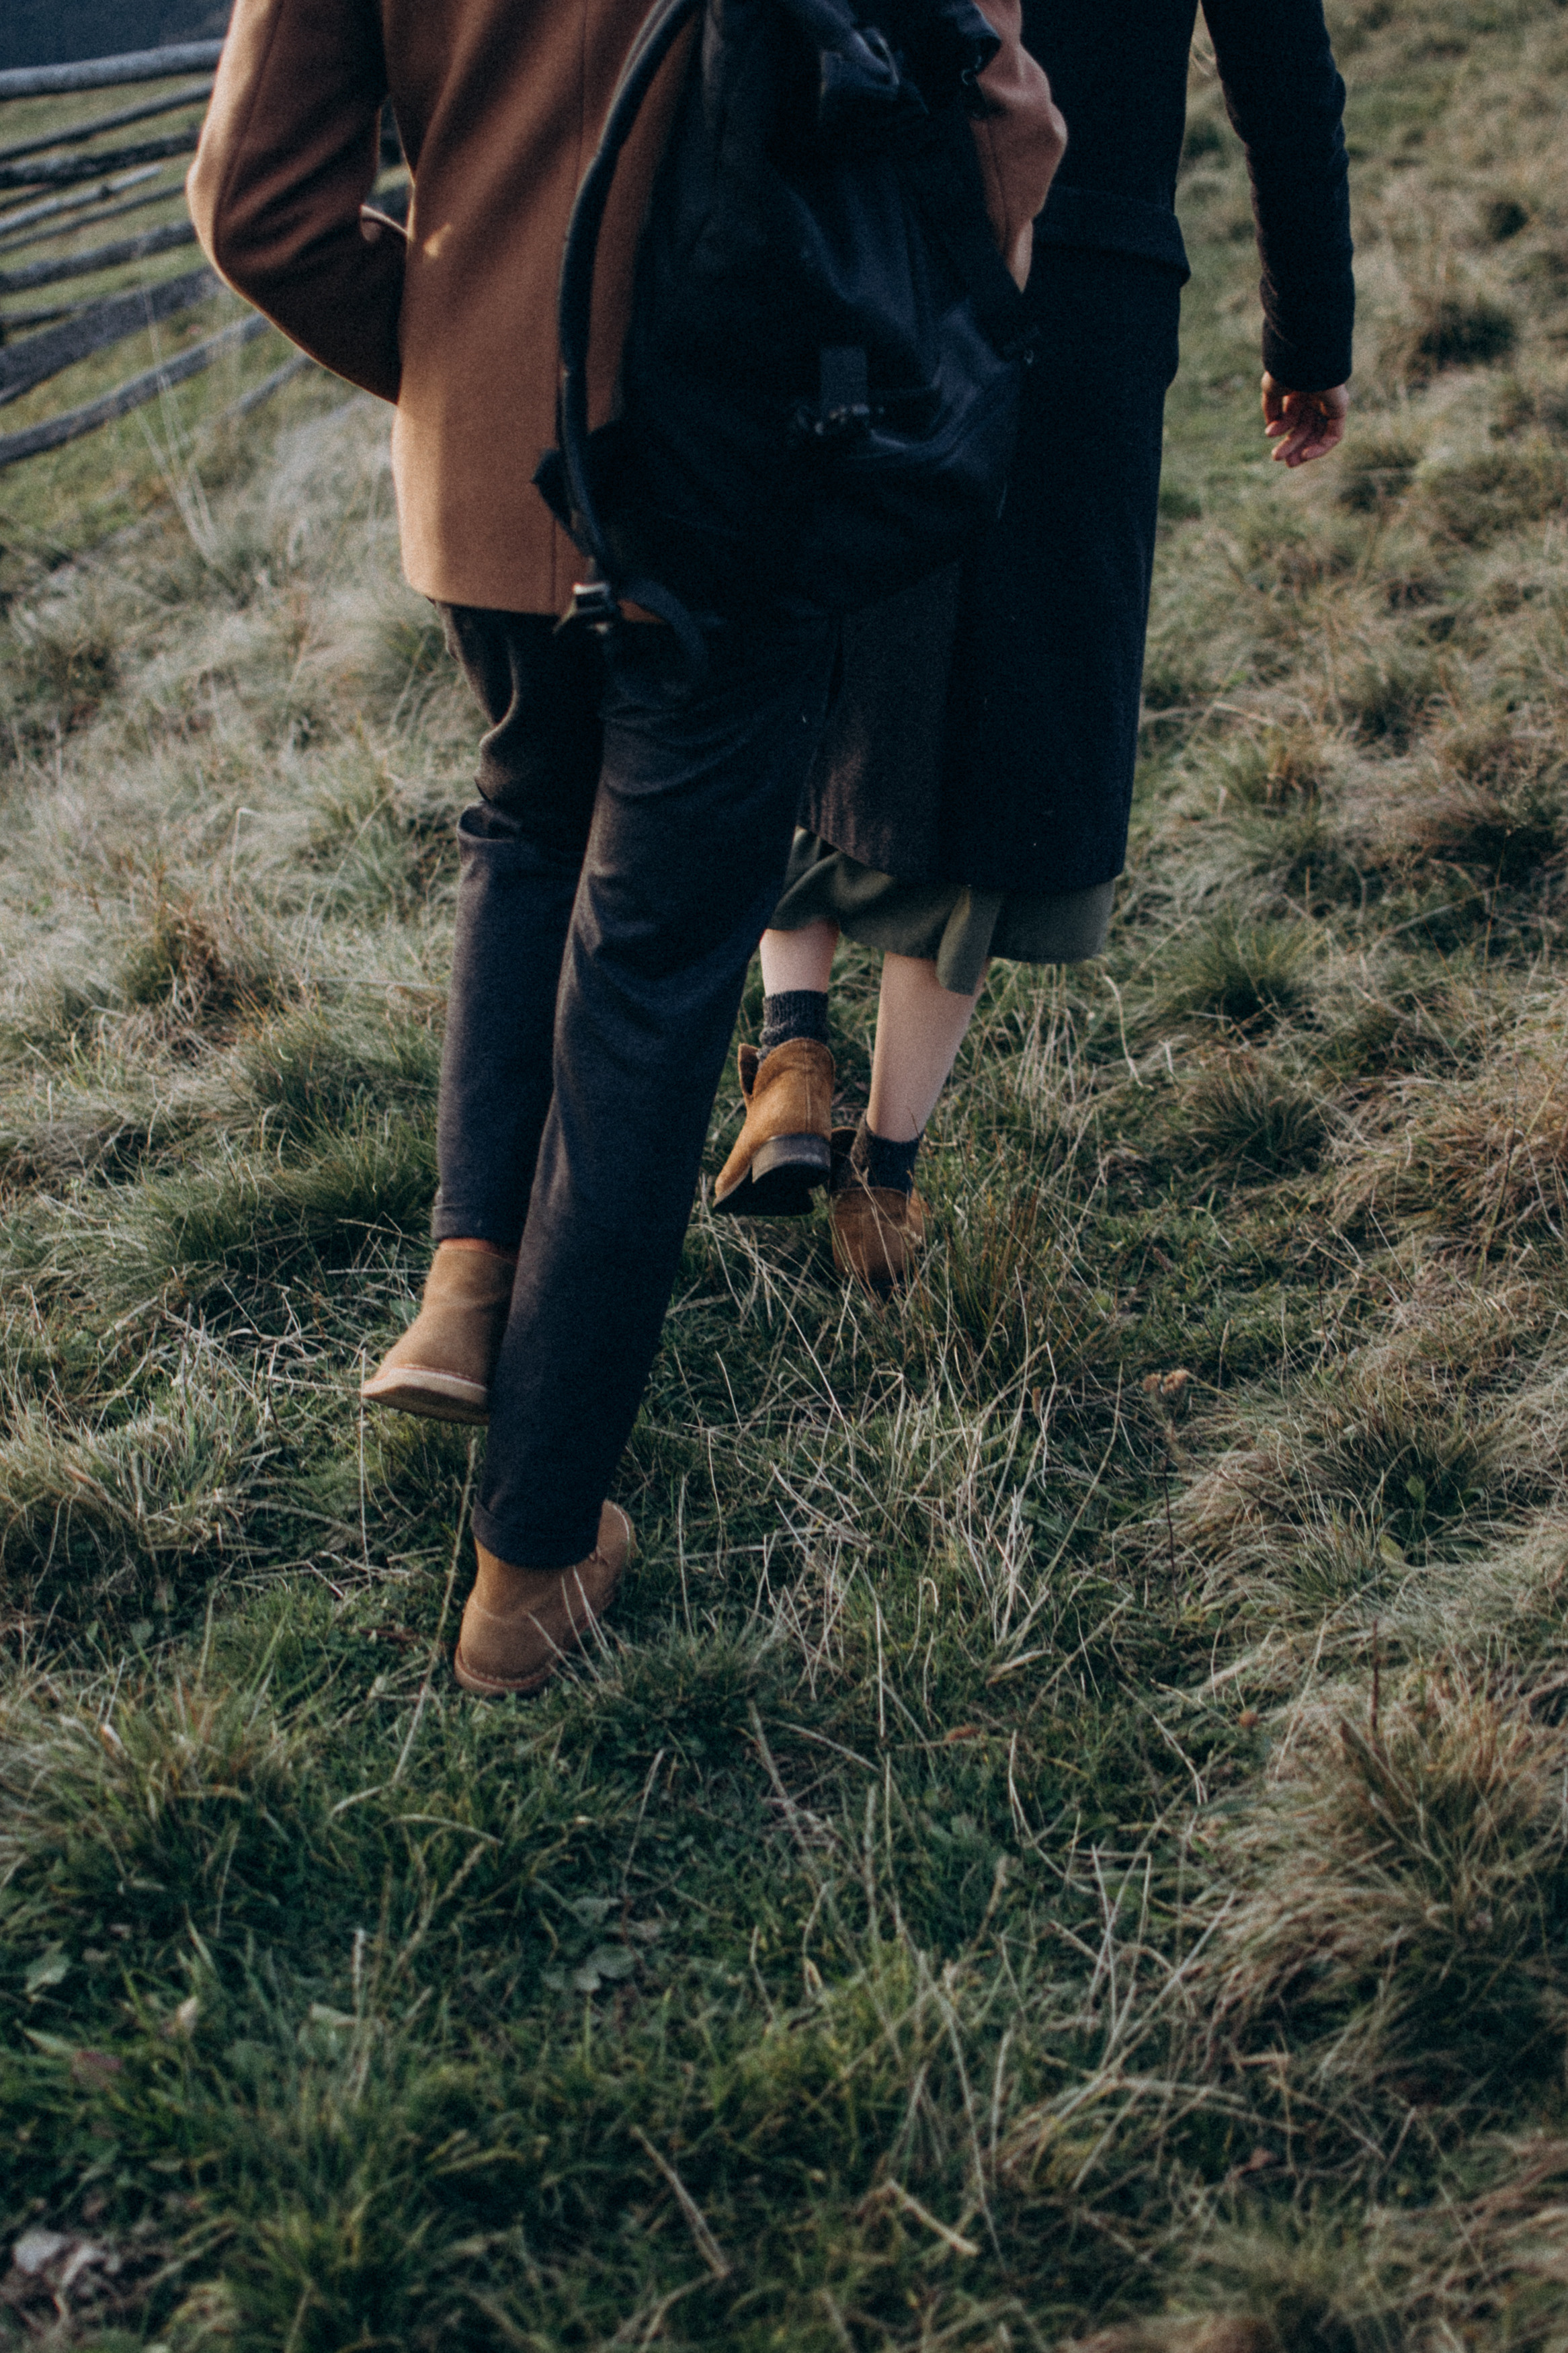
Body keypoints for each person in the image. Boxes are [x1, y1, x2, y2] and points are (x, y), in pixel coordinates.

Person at [188, 0, 1064, 1691]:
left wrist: (471, 358)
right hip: (745, 477)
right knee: (657, 972)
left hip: (492, 484)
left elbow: (258, 212)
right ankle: (529, 1561)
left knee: (525, 819)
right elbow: (1004, 118)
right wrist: (944, 333)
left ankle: (469, 1278)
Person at [712, 0, 1353, 1291]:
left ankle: (791, 1048)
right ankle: (880, 1186)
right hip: (1091, 291)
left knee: (822, 647)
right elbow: (1286, 84)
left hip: (876, 247)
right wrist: (1308, 340)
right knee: (1003, 713)